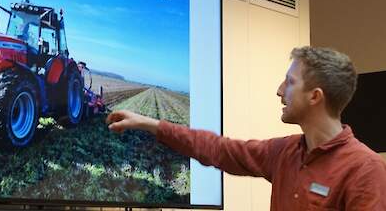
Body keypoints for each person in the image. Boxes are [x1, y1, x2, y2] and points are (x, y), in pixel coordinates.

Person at [106, 46, 386, 210]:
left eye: (289, 82)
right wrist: (149, 123)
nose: (279, 91)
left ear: (315, 96)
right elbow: (219, 149)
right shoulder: (285, 152)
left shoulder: (364, 169)